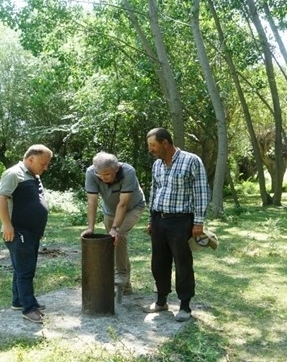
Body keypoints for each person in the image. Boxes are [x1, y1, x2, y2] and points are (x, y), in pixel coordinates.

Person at [144, 127, 210, 321]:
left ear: (165, 143)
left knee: (183, 264)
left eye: (153, 145)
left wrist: (198, 222)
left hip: (181, 221)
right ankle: (161, 300)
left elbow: (201, 192)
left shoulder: (191, 161)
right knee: (158, 262)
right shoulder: (157, 165)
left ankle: (185, 306)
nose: (151, 150)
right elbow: (153, 193)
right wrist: (150, 219)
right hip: (158, 220)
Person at [0, 144, 53, 323]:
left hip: (31, 232)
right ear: (31, 159)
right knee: (25, 271)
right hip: (18, 230)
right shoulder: (13, 174)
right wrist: (6, 225)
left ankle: (19, 301)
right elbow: (1, 197)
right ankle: (29, 309)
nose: (45, 167)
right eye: (43, 163)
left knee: (22, 268)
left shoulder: (32, 175)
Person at [80, 151, 146, 294]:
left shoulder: (128, 171)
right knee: (115, 243)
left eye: (107, 174)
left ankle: (121, 273)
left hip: (133, 207)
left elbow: (123, 204)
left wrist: (115, 227)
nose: (103, 178)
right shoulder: (91, 173)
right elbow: (92, 202)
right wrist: (90, 228)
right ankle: (126, 287)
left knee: (119, 234)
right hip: (110, 211)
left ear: (116, 168)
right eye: (100, 175)